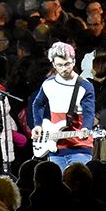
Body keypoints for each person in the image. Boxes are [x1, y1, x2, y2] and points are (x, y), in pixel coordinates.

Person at [29, 42, 96, 171]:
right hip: (55, 146)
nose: (64, 69)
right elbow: (37, 104)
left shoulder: (85, 86)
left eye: (67, 64)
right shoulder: (48, 84)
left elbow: (89, 111)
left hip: (80, 147)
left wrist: (86, 127)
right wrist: (38, 125)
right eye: (59, 65)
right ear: (53, 65)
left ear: (74, 61)